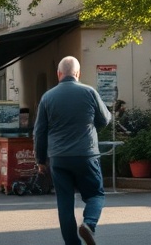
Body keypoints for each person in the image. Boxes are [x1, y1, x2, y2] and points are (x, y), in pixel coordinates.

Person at [34, 56, 111, 245]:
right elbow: (105, 119)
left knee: (65, 203)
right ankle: (89, 224)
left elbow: (39, 132)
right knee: (96, 195)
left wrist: (40, 160)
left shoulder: (47, 97)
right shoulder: (89, 92)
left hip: (59, 158)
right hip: (86, 154)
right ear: (78, 73)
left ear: (59, 74)